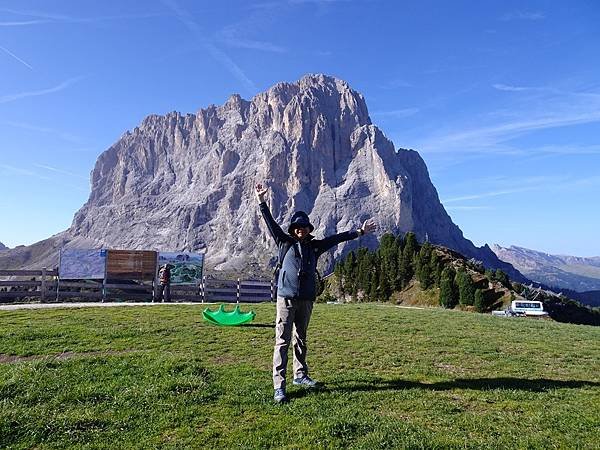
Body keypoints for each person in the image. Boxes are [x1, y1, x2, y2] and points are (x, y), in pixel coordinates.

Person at [255, 183, 376, 403]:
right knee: (282, 341)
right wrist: (262, 201)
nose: (300, 230)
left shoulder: (315, 246)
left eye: (304, 227)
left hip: (306, 300)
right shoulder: (284, 242)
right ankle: (279, 386)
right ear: (293, 230)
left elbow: (337, 238)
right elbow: (271, 224)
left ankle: (300, 376)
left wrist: (360, 232)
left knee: (301, 339)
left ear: (309, 229)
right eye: (297, 228)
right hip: (286, 299)